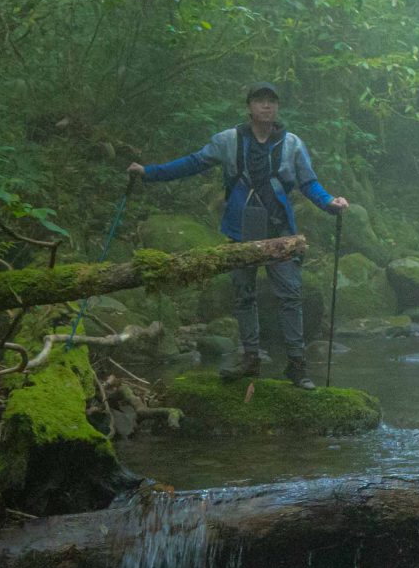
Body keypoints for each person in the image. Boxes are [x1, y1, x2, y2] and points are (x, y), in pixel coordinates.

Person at [130, 82, 347, 387]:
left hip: (280, 230)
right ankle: (250, 358)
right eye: (260, 101)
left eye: (272, 102)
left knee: (291, 295)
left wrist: (329, 202)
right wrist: (150, 173)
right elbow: (193, 163)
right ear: (249, 108)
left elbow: (308, 183)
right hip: (240, 228)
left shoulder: (293, 144)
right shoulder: (229, 141)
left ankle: (297, 365)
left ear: (277, 108)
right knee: (244, 295)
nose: (267, 106)